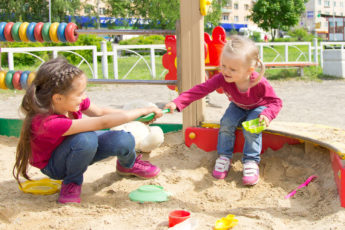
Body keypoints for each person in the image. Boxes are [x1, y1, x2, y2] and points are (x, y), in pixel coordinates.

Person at [13, 57, 163, 204]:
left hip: (78, 149)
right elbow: (102, 122)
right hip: (55, 165)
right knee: (86, 138)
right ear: (58, 98)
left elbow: (100, 112)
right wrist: (139, 111)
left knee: (124, 139)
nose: (84, 97)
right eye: (79, 94)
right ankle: (72, 182)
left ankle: (127, 165)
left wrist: (137, 118)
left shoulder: (70, 102)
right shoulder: (46, 123)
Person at [165, 35, 282, 186]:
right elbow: (201, 90)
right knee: (226, 123)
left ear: (249, 70)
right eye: (223, 65)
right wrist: (177, 102)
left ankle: (251, 161)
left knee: (251, 128)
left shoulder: (259, 83)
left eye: (232, 69)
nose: (226, 71)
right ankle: (224, 157)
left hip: (258, 107)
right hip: (238, 106)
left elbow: (276, 102)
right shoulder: (222, 78)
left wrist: (267, 115)